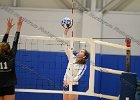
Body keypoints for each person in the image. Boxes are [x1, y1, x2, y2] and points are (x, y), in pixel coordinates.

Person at [0, 17, 23, 100]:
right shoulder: (11, 56)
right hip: (9, 86)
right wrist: (18, 28)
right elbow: (15, 42)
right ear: (8, 49)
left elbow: (3, 43)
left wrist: (8, 29)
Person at [63, 28, 89, 100]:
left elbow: (78, 76)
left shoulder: (83, 66)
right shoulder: (72, 57)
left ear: (84, 56)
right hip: (66, 84)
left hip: (73, 86)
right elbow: (65, 46)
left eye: (81, 51)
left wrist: (70, 82)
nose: (79, 51)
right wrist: (65, 32)